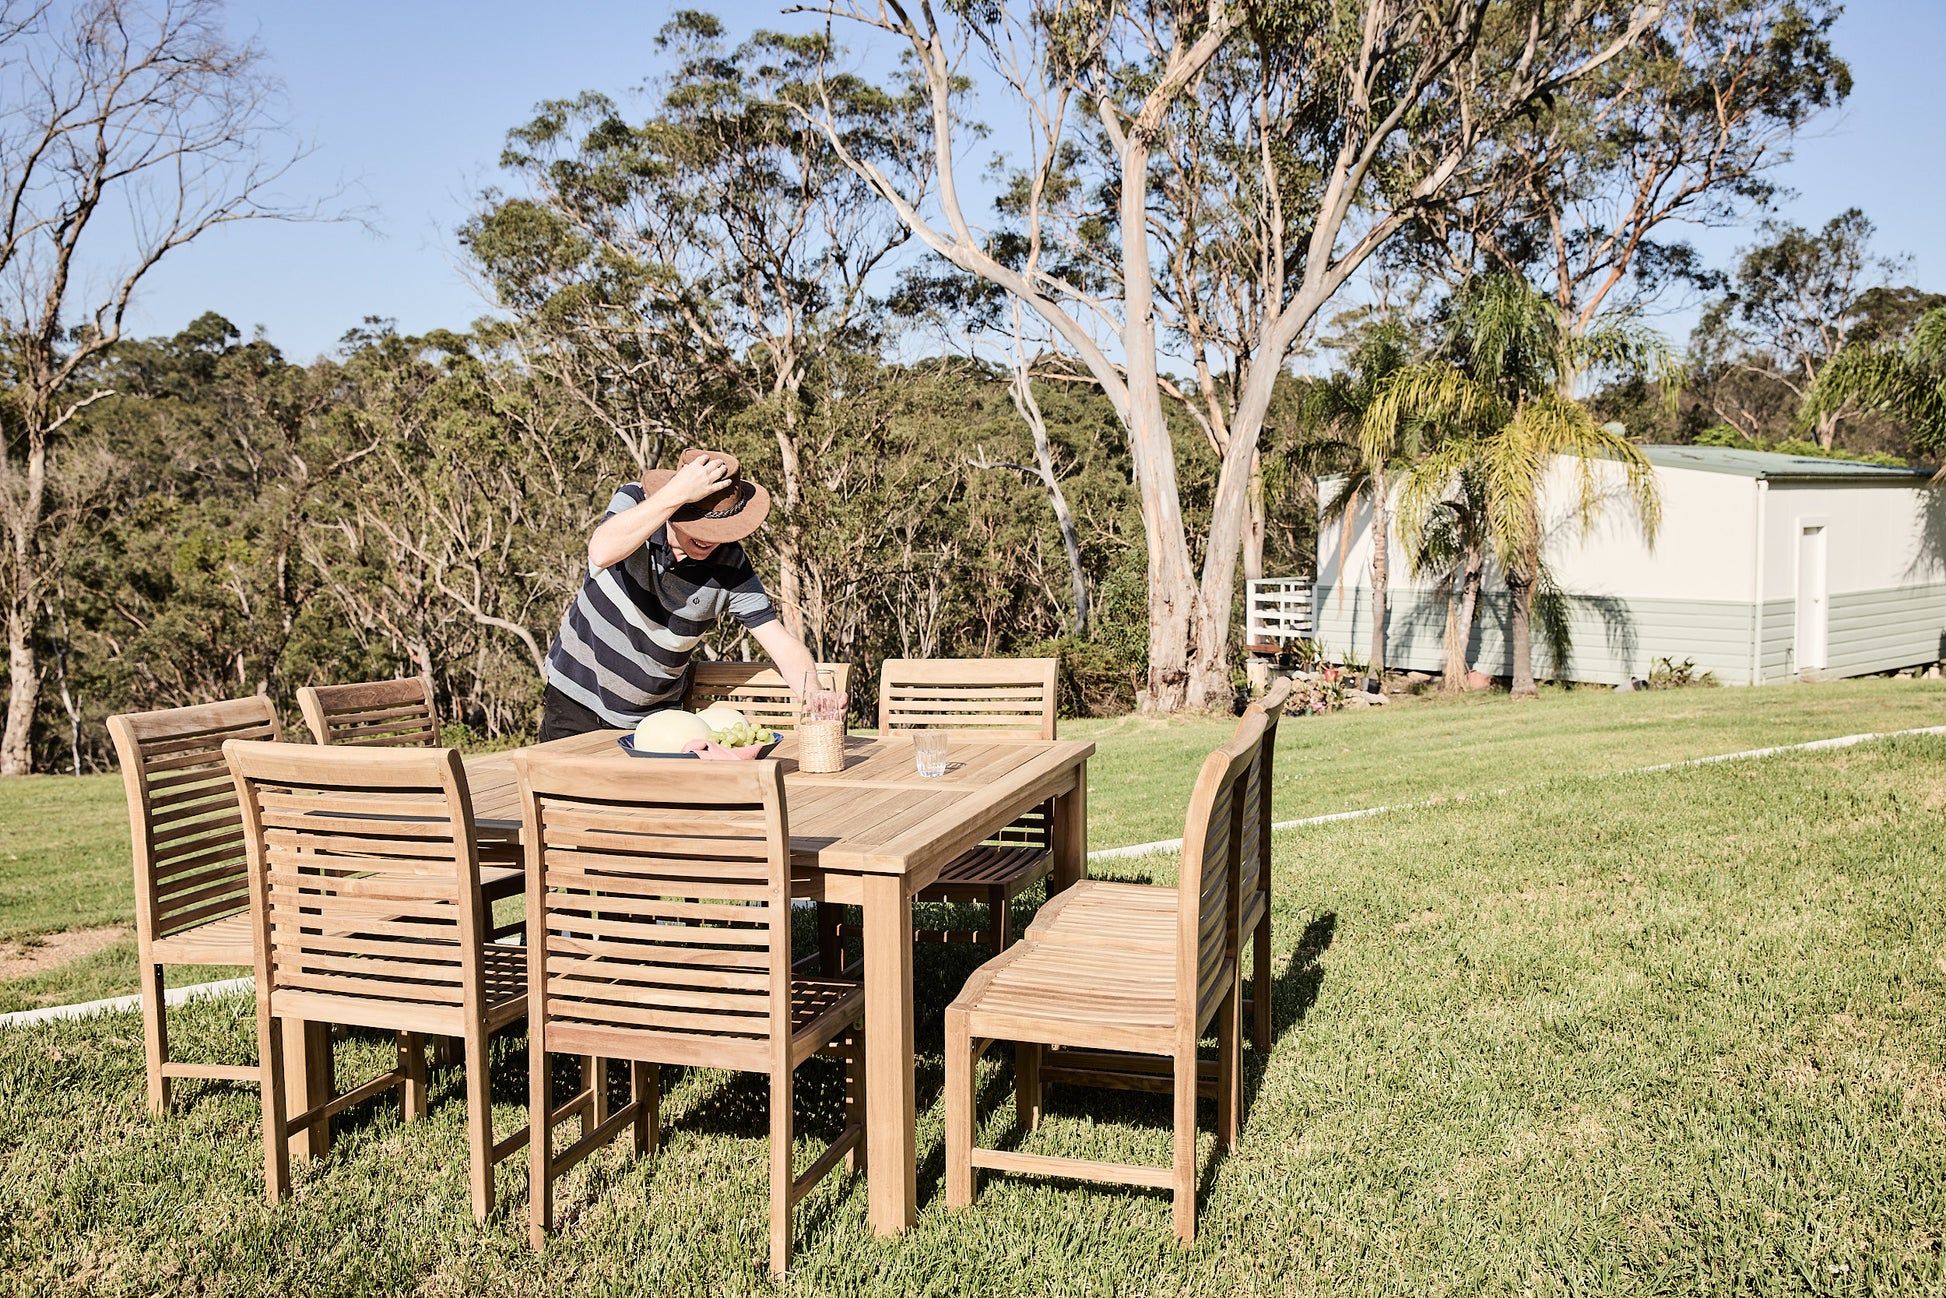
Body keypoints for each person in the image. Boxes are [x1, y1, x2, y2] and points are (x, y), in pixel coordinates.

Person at [538, 448, 820, 741]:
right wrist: (677, 494)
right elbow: (601, 550)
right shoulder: (637, 503)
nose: (708, 538)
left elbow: (782, 645)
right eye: (699, 523)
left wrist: (813, 693)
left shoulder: (731, 565)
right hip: (573, 701)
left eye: (719, 527)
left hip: (653, 723)